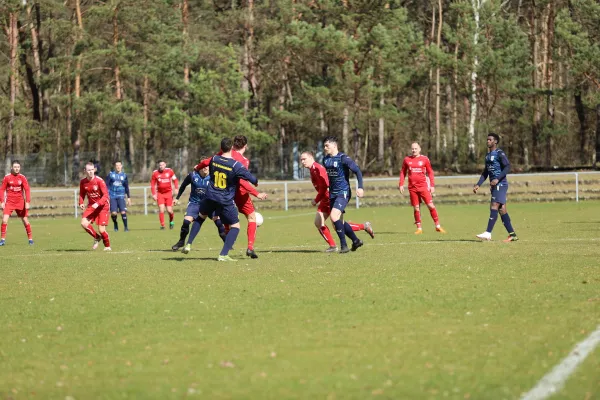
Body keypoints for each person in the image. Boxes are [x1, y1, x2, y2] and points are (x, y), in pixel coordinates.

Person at [195, 135, 268, 259]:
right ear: (245, 146)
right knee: (251, 217)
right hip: (238, 192)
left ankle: (227, 237)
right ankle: (250, 247)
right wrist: (256, 193)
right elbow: (242, 182)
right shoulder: (244, 161)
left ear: (233, 145)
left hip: (222, 192)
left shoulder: (224, 153)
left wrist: (198, 166)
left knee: (226, 215)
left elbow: (209, 160)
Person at [300, 151, 374, 252]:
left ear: (311, 158)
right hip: (324, 198)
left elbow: (326, 185)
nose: (302, 161)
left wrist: (316, 199)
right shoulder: (313, 170)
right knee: (321, 223)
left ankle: (362, 228)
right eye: (301, 160)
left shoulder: (319, 168)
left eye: (304, 159)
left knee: (337, 224)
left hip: (329, 198)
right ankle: (334, 245)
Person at [322, 136, 366, 254]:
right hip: (332, 194)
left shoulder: (343, 158)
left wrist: (360, 187)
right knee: (338, 222)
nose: (325, 148)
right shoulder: (325, 160)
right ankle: (356, 240)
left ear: (334, 145)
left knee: (334, 216)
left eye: (327, 145)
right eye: (324, 146)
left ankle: (344, 245)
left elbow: (357, 171)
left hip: (343, 192)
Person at [473, 133, 518, 242]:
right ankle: (512, 235)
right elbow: (485, 172)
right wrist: (478, 184)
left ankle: (488, 233)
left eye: (490, 140)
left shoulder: (499, 153)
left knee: (494, 205)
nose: (487, 141)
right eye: (487, 139)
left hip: (501, 184)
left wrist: (497, 179)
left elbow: (507, 166)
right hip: (494, 185)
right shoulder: (487, 156)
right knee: (502, 210)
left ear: (495, 142)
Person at [171, 164, 227, 252]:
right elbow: (183, 186)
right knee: (186, 222)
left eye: (207, 166)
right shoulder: (193, 175)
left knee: (219, 222)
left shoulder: (214, 176)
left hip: (210, 204)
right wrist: (177, 198)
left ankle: (227, 243)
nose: (205, 168)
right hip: (194, 203)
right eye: (203, 166)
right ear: (199, 167)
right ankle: (181, 241)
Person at [399, 142, 446, 234]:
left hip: (423, 187)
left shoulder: (424, 159)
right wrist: (401, 184)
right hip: (412, 188)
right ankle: (419, 228)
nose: (414, 150)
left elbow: (430, 172)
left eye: (416, 148)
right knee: (416, 208)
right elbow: (402, 172)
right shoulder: (407, 160)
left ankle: (438, 226)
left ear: (419, 149)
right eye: (412, 149)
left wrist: (432, 185)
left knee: (430, 205)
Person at [79, 162, 111, 251]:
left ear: (94, 170)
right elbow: (82, 193)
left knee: (101, 230)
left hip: (103, 206)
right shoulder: (83, 182)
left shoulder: (99, 181)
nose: (91, 172)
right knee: (84, 223)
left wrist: (98, 203)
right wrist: (81, 202)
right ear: (85, 171)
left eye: (92, 170)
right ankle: (97, 237)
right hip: (92, 206)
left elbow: (106, 195)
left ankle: (107, 246)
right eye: (89, 170)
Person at [0, 160, 33, 246]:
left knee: (25, 221)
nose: (16, 169)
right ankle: (2, 240)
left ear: (20, 168)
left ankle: (30, 239)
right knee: (4, 220)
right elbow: (2, 189)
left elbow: (27, 189)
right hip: (9, 202)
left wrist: (28, 201)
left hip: (20, 202)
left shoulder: (22, 177)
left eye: (18, 167)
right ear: (11, 167)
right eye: (15, 167)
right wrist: (2, 201)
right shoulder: (7, 177)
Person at [150, 160, 179, 230]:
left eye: (162, 165)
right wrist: (154, 194)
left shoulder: (170, 171)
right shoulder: (155, 173)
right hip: (160, 194)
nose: (161, 166)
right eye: (160, 165)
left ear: (165, 165)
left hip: (168, 193)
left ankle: (171, 221)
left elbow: (175, 180)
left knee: (169, 210)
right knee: (161, 209)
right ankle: (162, 225)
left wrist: (176, 188)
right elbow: (152, 184)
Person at [106, 161, 131, 232]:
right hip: (112, 196)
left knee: (123, 212)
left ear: (121, 166)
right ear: (115, 166)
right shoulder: (111, 175)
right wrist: (106, 195)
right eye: (116, 165)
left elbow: (126, 187)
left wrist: (128, 197)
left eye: (119, 165)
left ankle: (126, 227)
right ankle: (115, 223)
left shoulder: (124, 175)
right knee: (114, 213)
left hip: (121, 195)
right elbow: (106, 185)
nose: (118, 167)